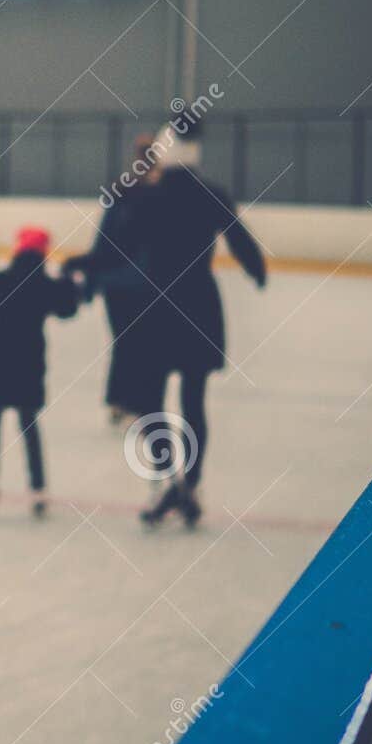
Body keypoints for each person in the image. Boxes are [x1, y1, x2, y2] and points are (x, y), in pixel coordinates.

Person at [129, 138, 267, 528]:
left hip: (156, 307)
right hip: (199, 305)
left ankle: (168, 477)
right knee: (194, 401)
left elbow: (120, 247)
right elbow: (238, 236)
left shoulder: (149, 198)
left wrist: (87, 272)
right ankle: (189, 483)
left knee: (148, 399)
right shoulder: (211, 194)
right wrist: (255, 269)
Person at [0, 226, 81, 518]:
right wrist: (71, 282)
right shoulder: (47, 285)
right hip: (30, 359)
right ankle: (38, 489)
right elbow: (67, 310)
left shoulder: (1, 280)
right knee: (28, 423)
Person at [65, 134, 158, 424]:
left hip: (118, 284)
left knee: (125, 340)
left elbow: (102, 245)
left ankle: (119, 400)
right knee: (140, 342)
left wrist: (91, 281)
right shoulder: (156, 195)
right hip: (142, 284)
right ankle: (133, 402)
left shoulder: (122, 192)